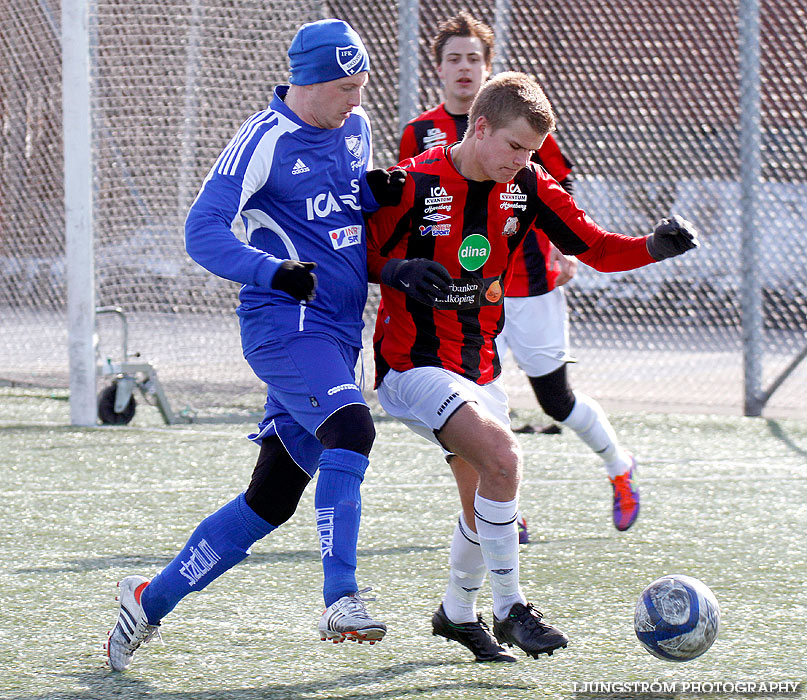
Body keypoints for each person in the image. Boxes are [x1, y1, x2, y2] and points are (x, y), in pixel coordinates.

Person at [105, 18, 407, 672]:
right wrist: (269, 271)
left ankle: (146, 602)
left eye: (362, 86)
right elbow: (201, 232)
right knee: (352, 431)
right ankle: (340, 597)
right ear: (311, 81)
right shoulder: (262, 138)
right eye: (346, 87)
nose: (357, 99)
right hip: (283, 326)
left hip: (335, 333)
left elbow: (335, 209)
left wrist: (371, 199)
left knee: (270, 498)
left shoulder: (353, 127)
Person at [368, 71, 698, 663]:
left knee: (483, 495)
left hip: (480, 369)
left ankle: (456, 611)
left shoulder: (527, 186)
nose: (522, 161)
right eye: (515, 147)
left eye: (532, 152)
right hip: (411, 365)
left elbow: (593, 246)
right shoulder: (416, 183)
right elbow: (351, 250)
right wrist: (391, 271)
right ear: (480, 125)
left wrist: (655, 246)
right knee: (504, 458)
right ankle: (510, 605)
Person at [399, 12, 639, 551]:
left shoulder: (519, 119)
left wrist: (563, 248)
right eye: (454, 59)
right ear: (437, 69)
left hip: (527, 284)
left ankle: (618, 464)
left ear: (488, 68)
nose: (464, 68)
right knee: (465, 404)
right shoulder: (420, 134)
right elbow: (405, 216)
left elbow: (558, 193)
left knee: (554, 400)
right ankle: (501, 510)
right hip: (458, 298)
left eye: (474, 59)